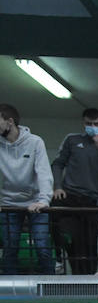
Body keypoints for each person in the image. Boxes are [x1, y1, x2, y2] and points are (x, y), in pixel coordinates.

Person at [51, 107, 98, 274]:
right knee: (65, 233)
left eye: (96, 124)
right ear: (83, 123)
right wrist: (57, 186)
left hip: (92, 200)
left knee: (88, 245)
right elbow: (58, 163)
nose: (92, 126)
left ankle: (87, 280)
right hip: (69, 196)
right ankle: (58, 258)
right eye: (88, 123)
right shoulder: (72, 140)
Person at [0, 103, 54, 275]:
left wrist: (44, 200)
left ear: (9, 122)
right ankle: (11, 295)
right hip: (8, 203)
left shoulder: (35, 142)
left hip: (36, 202)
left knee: (42, 247)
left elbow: (44, 172)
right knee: (10, 248)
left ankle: (51, 288)